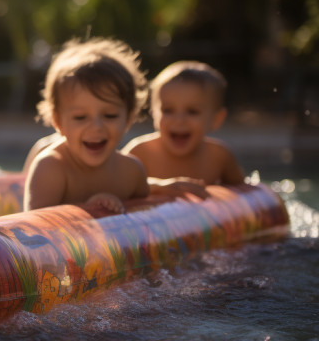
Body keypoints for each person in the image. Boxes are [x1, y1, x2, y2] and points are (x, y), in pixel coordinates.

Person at [24, 38, 150, 213]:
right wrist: (86, 210)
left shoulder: (131, 172)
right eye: (80, 117)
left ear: (129, 118)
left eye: (110, 115)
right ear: (58, 121)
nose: (96, 126)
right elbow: (34, 230)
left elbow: (148, 225)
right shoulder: (51, 168)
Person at [123, 61, 244, 195]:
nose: (179, 120)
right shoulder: (140, 153)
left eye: (192, 111)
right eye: (168, 110)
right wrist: (158, 185)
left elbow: (247, 193)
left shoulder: (219, 156)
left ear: (217, 119)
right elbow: (113, 184)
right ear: (154, 113)